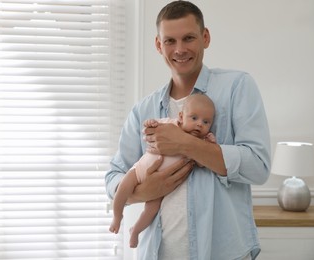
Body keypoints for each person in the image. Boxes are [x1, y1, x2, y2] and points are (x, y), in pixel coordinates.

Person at [105, 1, 271, 259]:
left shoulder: (237, 87)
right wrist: (145, 191)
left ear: (205, 38)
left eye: (189, 38)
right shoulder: (143, 110)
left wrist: (184, 144)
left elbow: (258, 167)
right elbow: (114, 176)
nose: (180, 49)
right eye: (170, 41)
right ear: (159, 45)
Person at [109, 93, 216, 248]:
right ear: (181, 116)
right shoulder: (170, 124)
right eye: (194, 118)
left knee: (152, 209)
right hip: (139, 170)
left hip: (162, 188)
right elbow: (150, 130)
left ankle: (136, 231)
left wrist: (210, 145)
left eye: (206, 122)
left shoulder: (199, 143)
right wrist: (151, 123)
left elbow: (202, 163)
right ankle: (117, 217)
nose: (199, 124)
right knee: (124, 187)